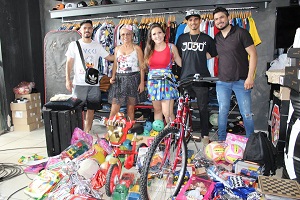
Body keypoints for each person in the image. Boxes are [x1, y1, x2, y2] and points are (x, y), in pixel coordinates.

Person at [213, 7, 257, 141]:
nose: (219, 21)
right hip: (222, 81)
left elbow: (254, 54)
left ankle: (251, 142)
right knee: (222, 112)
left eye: (221, 17)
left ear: (228, 18)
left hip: (241, 81)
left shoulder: (241, 33)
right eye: (216, 19)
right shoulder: (217, 37)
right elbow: (211, 55)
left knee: (247, 114)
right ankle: (221, 140)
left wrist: (250, 77)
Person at [176, 9, 218, 145]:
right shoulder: (182, 38)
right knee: (184, 108)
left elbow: (214, 53)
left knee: (203, 107)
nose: (193, 22)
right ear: (187, 22)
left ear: (200, 21)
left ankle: (205, 135)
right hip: (185, 78)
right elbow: (178, 56)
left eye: (195, 19)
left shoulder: (207, 38)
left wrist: (201, 56)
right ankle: (184, 132)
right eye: (190, 20)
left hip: (202, 78)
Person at [65, 20, 114, 133]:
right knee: (77, 109)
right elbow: (69, 63)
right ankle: (77, 131)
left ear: (92, 30)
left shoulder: (97, 45)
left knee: (92, 108)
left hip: (93, 83)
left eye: (89, 28)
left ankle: (87, 132)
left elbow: (109, 57)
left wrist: (122, 53)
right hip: (79, 83)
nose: (87, 30)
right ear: (80, 30)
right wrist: (67, 79)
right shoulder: (74, 45)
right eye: (85, 28)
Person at [144, 23, 182, 123]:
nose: (157, 36)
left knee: (167, 113)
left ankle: (172, 136)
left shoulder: (171, 47)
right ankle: (160, 135)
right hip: (153, 82)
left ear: (164, 33)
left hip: (167, 82)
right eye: (154, 34)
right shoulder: (148, 49)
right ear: (151, 37)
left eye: (159, 32)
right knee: (157, 110)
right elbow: (145, 66)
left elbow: (180, 62)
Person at [108, 24, 145, 120]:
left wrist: (141, 83)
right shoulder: (117, 49)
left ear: (132, 35)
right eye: (123, 34)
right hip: (119, 80)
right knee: (115, 107)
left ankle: (129, 130)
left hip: (133, 79)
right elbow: (115, 65)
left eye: (128, 34)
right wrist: (113, 77)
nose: (125, 37)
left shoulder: (137, 49)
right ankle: (110, 131)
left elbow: (142, 67)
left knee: (130, 108)